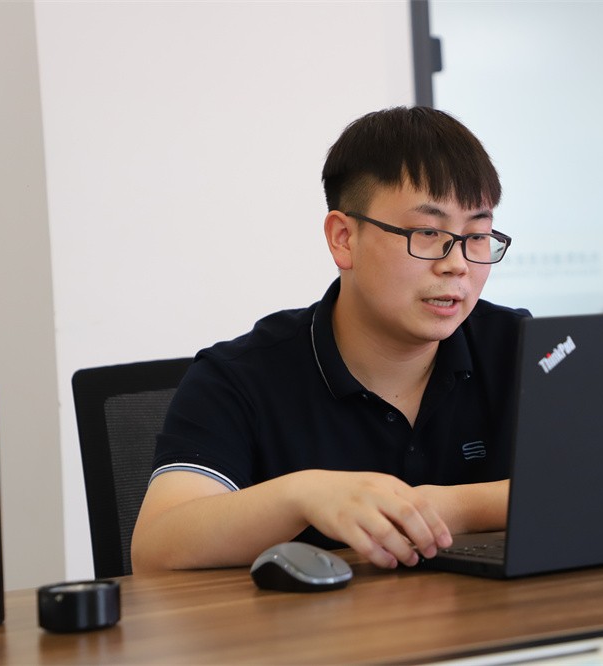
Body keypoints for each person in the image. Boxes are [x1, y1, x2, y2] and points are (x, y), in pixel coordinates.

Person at [131, 106, 530, 573]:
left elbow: (599, 485)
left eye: (476, 235)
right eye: (427, 232)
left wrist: (443, 508)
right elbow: (156, 549)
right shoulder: (239, 377)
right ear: (343, 238)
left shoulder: (524, 350)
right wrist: (302, 495)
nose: (457, 265)